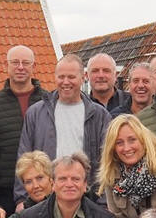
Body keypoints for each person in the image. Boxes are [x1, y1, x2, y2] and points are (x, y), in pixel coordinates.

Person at [16, 54, 112, 205]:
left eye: (71, 77)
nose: (65, 82)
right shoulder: (35, 113)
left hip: (87, 199)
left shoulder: (100, 116)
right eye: (61, 77)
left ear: (83, 78)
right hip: (44, 200)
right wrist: (21, 199)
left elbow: (107, 163)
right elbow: (24, 158)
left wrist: (103, 202)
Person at [0, 45, 49, 205]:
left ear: (34, 67)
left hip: (42, 188)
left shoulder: (49, 102)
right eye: (15, 62)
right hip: (3, 189)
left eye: (26, 63)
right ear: (6, 66)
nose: (20, 67)